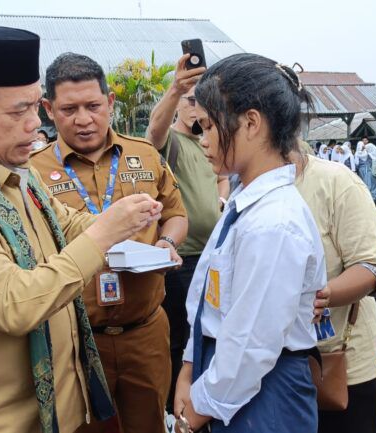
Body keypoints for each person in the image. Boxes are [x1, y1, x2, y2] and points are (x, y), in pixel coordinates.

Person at [0, 27, 162, 433]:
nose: (35, 126)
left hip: (54, 406)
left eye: (36, 108)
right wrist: (105, 233)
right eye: (18, 112)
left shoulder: (12, 164)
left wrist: (124, 219)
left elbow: (65, 223)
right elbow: (12, 303)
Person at [30, 52, 188, 433]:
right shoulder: (32, 171)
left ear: (110, 103)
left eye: (93, 106)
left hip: (145, 331)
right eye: (68, 109)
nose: (83, 119)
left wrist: (167, 242)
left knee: (149, 423)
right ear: (48, 109)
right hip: (78, 339)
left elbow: (176, 213)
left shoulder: (145, 155)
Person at [173, 53, 326, 433]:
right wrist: (191, 366)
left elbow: (250, 344)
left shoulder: (273, 222)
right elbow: (209, 295)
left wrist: (198, 409)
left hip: (259, 394)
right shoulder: (246, 201)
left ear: (251, 123)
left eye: (208, 127)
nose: (203, 141)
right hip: (229, 380)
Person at [146, 53, 230, 413]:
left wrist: (221, 202)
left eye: (202, 103)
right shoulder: (174, 143)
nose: (197, 111)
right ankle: (173, 410)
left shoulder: (209, 141)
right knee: (180, 339)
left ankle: (198, 403)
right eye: (190, 102)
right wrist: (175, 89)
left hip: (211, 256)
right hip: (182, 259)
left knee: (207, 335)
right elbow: (154, 132)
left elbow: (222, 178)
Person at [294, 153, 376, 433]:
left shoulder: (336, 182)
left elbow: (370, 266)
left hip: (341, 366)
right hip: (276, 369)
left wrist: (322, 296)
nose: (206, 139)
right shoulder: (242, 188)